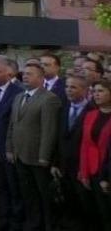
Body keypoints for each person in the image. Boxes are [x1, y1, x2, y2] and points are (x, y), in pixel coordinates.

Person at [6, 61, 61, 231]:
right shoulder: (19, 97)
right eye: (24, 74)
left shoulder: (49, 99)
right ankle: (33, 223)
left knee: (44, 194)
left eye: (30, 74)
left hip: (38, 157)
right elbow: (12, 125)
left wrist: (44, 156)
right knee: (28, 193)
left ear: (41, 78)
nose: (25, 76)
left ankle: (48, 224)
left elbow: (49, 130)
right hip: (20, 154)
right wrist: (9, 148)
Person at [0, 58, 24, 231]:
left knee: (13, 186)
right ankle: (3, 217)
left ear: (9, 74)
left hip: (9, 148)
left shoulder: (18, 92)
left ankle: (16, 220)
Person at [54, 74, 94, 230]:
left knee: (85, 203)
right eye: (67, 87)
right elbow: (58, 138)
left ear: (84, 90)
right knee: (68, 200)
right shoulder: (62, 109)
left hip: (83, 168)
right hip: (64, 166)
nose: (68, 90)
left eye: (73, 87)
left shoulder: (93, 111)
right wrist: (55, 162)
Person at [76, 79, 111, 225]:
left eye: (101, 91)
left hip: (107, 171)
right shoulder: (90, 114)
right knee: (93, 211)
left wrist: (107, 177)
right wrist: (83, 172)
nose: (96, 94)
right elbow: (85, 144)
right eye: (94, 91)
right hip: (91, 169)